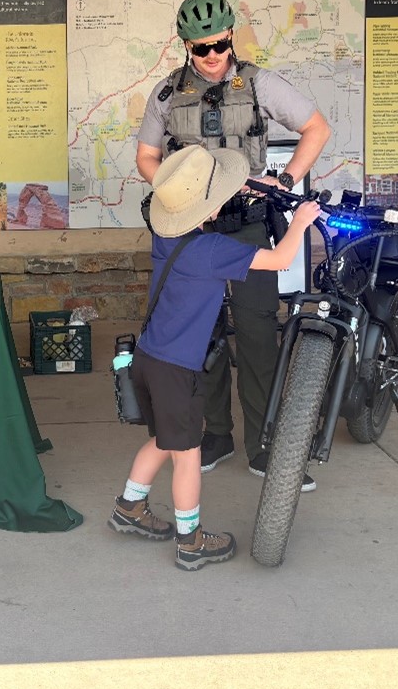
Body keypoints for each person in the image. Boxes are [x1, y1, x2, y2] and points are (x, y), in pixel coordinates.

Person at [135, 0, 331, 485]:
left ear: (231, 37)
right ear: (185, 46)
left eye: (220, 44)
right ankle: (215, 434)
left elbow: (315, 128)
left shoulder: (260, 84)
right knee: (202, 337)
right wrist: (175, 193)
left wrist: (284, 182)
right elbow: (145, 157)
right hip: (193, 231)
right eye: (201, 49)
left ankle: (264, 446)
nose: (213, 57)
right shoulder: (165, 95)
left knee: (258, 333)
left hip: (246, 223)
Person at [109, 145, 321, 570]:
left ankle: (129, 506)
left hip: (148, 359)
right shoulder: (215, 251)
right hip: (176, 369)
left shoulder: (167, 236)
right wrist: (300, 222)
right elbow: (279, 258)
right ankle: (191, 541)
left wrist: (226, 190)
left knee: (162, 438)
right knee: (186, 455)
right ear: (213, 206)